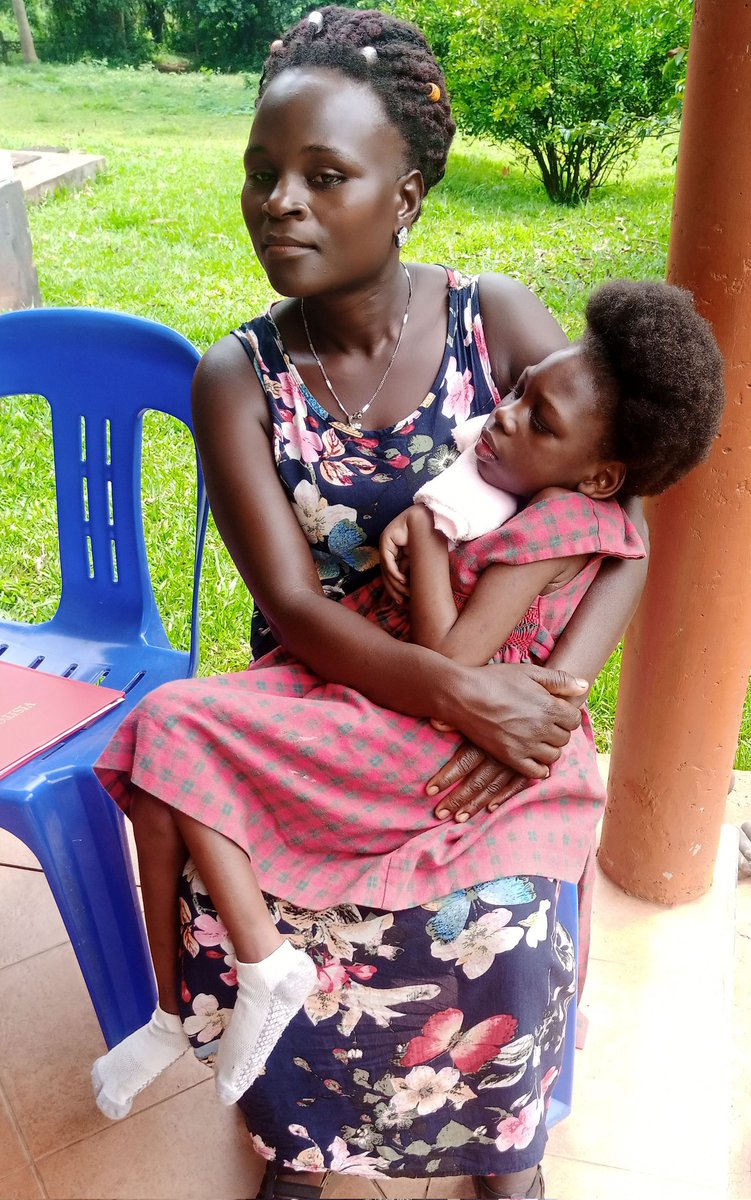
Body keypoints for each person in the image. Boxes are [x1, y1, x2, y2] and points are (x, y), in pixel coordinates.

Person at [90, 9, 722, 1197]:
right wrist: (461, 693)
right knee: (214, 817)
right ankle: (306, 1133)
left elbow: (621, 527)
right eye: (263, 173)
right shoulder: (238, 379)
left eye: (326, 176)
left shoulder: (501, 325)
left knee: (512, 908)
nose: (281, 200)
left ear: (409, 193)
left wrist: (549, 696)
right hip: (332, 685)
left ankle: (499, 1140)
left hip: (498, 704)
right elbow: (292, 601)